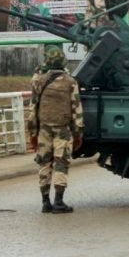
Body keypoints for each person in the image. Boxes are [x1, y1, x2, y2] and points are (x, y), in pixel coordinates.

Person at [26, 45, 83, 214]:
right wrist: (79, 133)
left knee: (44, 164)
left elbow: (33, 109)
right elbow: (76, 109)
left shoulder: (38, 81)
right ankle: (59, 201)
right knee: (61, 164)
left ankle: (45, 202)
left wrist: (32, 133)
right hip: (63, 130)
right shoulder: (70, 82)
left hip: (43, 129)